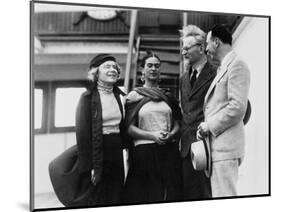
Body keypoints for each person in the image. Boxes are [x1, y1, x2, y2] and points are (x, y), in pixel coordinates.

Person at [197, 25, 250, 197]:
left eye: (207, 43)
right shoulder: (224, 67)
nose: (205, 49)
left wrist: (209, 125)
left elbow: (238, 107)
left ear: (217, 42)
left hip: (226, 150)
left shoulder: (237, 65)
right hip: (218, 150)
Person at [122, 52, 183, 204]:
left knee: (170, 194)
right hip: (144, 152)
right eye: (149, 65)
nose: (153, 68)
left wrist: (171, 134)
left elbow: (177, 123)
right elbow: (128, 128)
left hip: (167, 150)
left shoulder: (167, 96)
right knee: (145, 195)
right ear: (143, 70)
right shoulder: (134, 96)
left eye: (157, 66)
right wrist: (153, 136)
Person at [75, 54, 126, 205]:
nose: (113, 70)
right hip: (98, 151)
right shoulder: (87, 98)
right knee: (98, 196)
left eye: (115, 67)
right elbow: (82, 135)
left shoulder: (120, 97)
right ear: (96, 73)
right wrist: (90, 167)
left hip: (115, 150)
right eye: (107, 67)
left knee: (116, 193)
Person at [179, 25, 217, 200]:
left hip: (210, 146)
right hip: (187, 149)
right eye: (182, 48)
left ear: (201, 48)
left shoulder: (217, 73)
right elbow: (185, 110)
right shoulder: (183, 78)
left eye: (187, 48)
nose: (183, 52)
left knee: (208, 195)